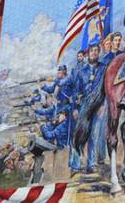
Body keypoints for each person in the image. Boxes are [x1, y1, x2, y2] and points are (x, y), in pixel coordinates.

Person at [39, 65, 81, 172]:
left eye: (60, 71)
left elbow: (65, 84)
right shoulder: (59, 80)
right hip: (60, 111)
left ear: (64, 72)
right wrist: (43, 86)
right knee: (61, 139)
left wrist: (56, 79)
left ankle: (75, 165)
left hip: (69, 111)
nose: (58, 73)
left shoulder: (69, 79)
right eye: (58, 71)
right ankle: (66, 165)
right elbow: (51, 89)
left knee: (71, 138)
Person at [77, 43, 107, 173]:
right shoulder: (81, 71)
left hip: (98, 105)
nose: (94, 53)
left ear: (99, 53)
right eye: (92, 51)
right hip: (84, 106)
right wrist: (75, 109)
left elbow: (106, 88)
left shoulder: (104, 69)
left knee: (95, 134)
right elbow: (76, 90)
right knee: (83, 133)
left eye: (96, 50)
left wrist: (103, 105)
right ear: (88, 53)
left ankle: (92, 163)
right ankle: (81, 162)